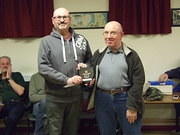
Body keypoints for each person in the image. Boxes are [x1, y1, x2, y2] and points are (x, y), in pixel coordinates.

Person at [38, 7, 92, 135]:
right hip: (55, 98)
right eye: (58, 17)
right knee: (53, 132)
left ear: (70, 19)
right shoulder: (46, 42)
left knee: (72, 131)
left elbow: (90, 61)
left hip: (75, 97)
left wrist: (86, 69)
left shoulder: (81, 40)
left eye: (65, 17)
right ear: (53, 20)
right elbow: (43, 67)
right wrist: (66, 80)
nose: (62, 20)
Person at [88, 21, 145, 135]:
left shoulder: (131, 56)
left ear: (121, 35)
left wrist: (132, 107)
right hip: (102, 99)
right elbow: (91, 75)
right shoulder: (98, 54)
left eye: (113, 33)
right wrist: (87, 77)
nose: (108, 36)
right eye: (106, 33)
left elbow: (138, 82)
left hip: (125, 98)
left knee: (131, 132)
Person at [0, 56, 26, 135]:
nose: (5, 66)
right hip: (2, 105)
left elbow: (20, 92)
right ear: (0, 66)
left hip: (16, 104)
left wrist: (9, 78)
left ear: (10, 65)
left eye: (7, 64)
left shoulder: (17, 75)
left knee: (12, 118)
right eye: (3, 64)